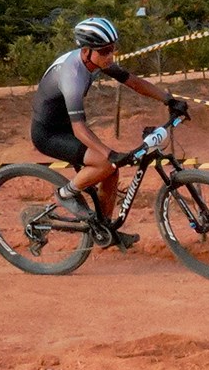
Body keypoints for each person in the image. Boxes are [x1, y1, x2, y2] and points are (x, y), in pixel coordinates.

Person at [29, 15, 172, 245]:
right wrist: (108, 153)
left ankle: (104, 229)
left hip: (65, 125)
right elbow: (78, 129)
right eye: (105, 51)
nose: (110, 56)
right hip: (49, 133)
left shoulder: (95, 61)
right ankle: (65, 193)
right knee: (107, 163)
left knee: (111, 170)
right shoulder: (73, 75)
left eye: (112, 49)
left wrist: (168, 99)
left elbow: (132, 81)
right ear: (86, 51)